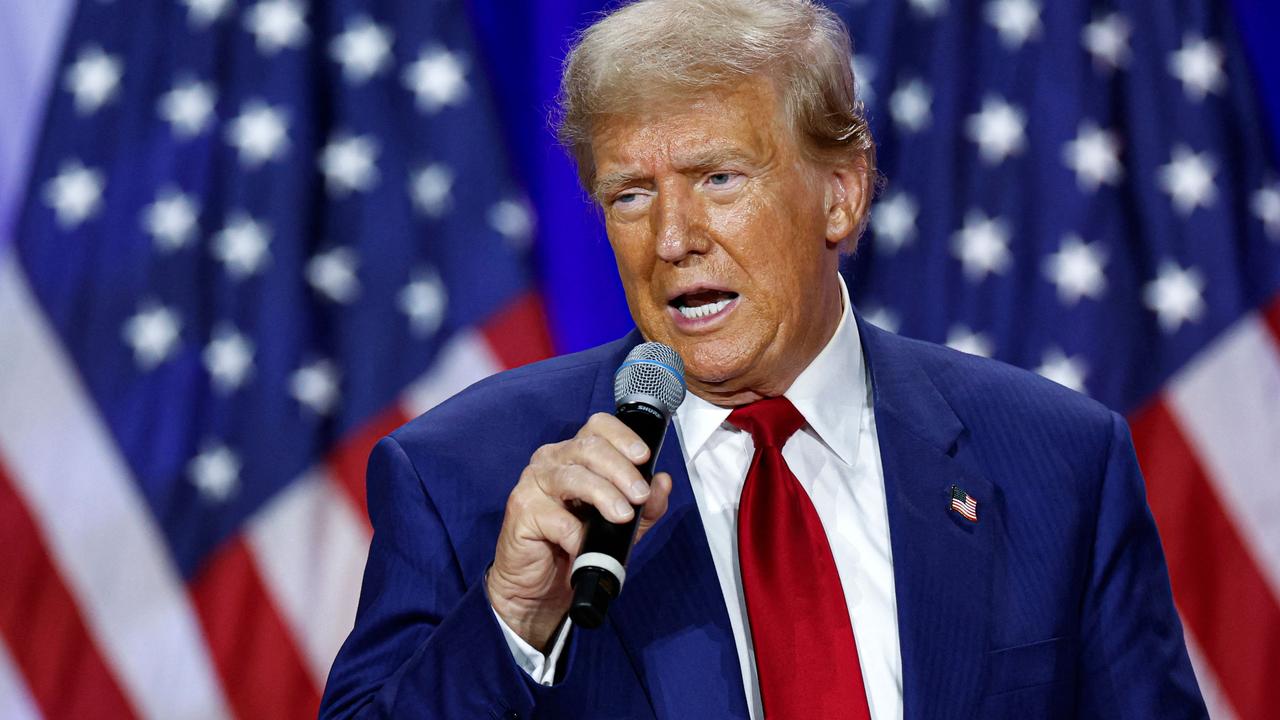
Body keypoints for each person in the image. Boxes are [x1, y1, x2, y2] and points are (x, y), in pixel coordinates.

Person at [320, 1, 1207, 718]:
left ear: (841, 195)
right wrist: (511, 620)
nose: (672, 239)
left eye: (719, 179)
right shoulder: (465, 479)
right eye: (631, 194)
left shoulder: (1058, 462)